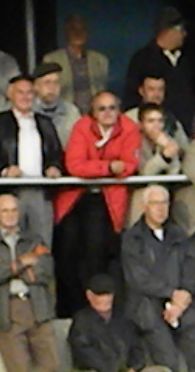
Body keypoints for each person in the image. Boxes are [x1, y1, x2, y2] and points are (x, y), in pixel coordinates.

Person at [56, 91, 141, 311]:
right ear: (93, 113)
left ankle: (96, 307)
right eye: (102, 108)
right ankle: (71, 307)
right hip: (76, 196)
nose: (108, 113)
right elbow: (75, 165)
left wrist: (97, 168)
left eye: (112, 107)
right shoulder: (82, 127)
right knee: (68, 248)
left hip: (108, 199)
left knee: (97, 253)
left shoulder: (129, 128)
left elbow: (129, 165)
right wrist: (108, 167)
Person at [120, 184, 195, 372]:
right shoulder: (133, 238)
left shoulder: (179, 234)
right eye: (156, 204)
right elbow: (138, 278)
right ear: (145, 206)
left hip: (182, 306)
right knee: (168, 365)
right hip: (149, 308)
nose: (161, 208)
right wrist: (171, 293)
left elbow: (190, 267)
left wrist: (183, 297)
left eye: (164, 203)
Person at [0, 190, 58, 372]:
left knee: (51, 371)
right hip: (7, 311)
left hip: (37, 306)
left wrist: (11, 270)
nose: (11, 215)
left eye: (14, 210)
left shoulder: (34, 239)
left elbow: (45, 269)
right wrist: (23, 263)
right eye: (5, 211)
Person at [0, 73, 65, 248]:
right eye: (20, 92)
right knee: (11, 242)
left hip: (40, 191)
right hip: (11, 192)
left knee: (42, 243)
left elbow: (56, 153)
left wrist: (53, 167)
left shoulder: (45, 123)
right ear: (10, 94)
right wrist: (4, 170)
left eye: (29, 92)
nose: (25, 97)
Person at [124, 11, 195, 131]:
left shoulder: (187, 59)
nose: (185, 34)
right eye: (181, 30)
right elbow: (131, 97)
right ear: (167, 31)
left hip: (184, 129)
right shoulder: (142, 58)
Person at [41, 16, 109, 115]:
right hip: (65, 116)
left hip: (95, 116)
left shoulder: (100, 60)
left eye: (82, 29)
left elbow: (102, 91)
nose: (78, 33)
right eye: (73, 29)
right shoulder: (52, 59)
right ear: (66, 32)